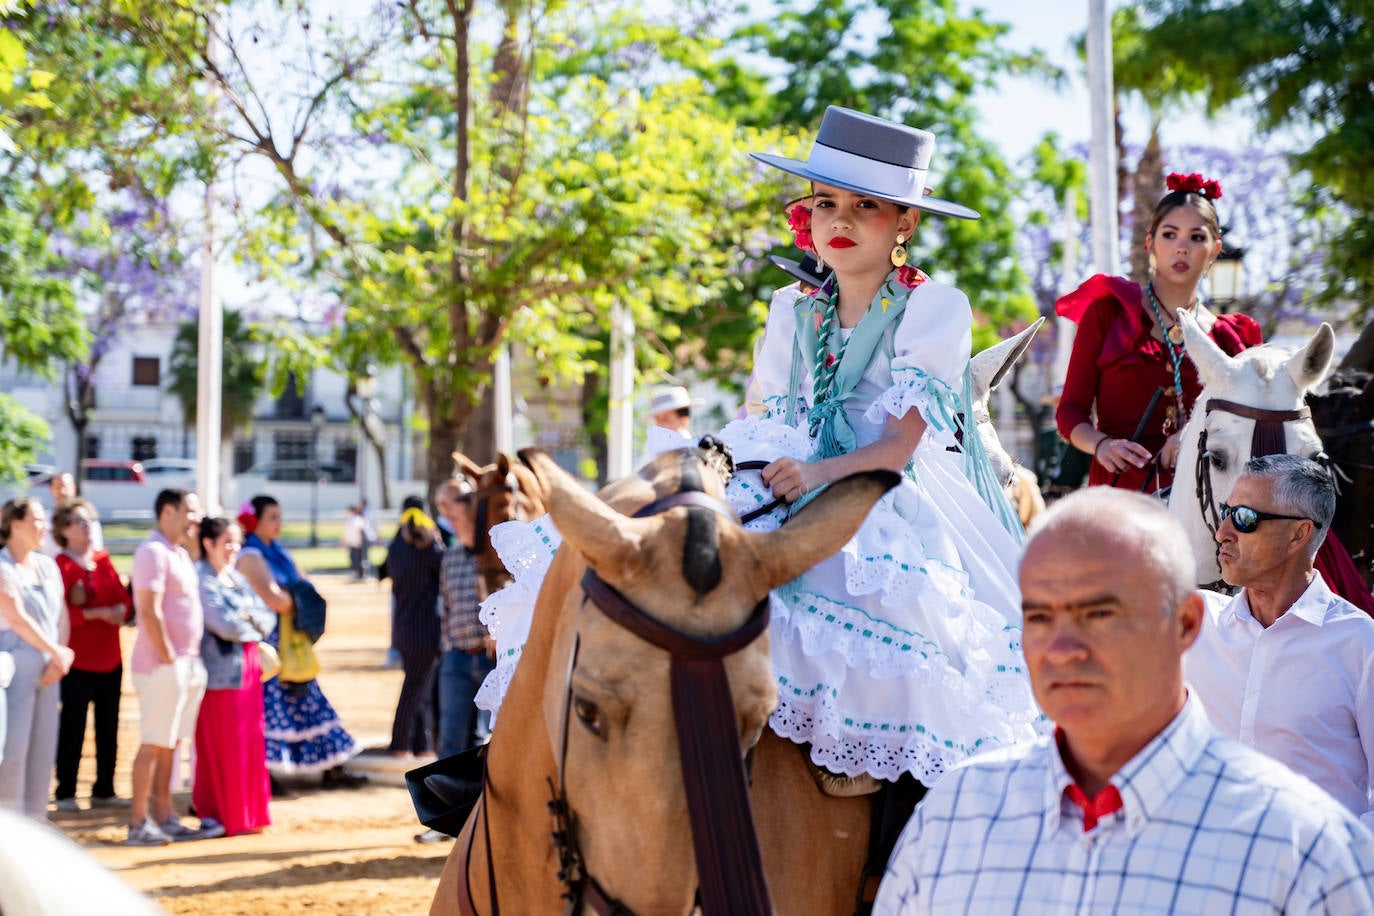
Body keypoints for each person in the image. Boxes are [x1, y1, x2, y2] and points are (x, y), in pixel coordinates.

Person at [480, 107, 1041, 788]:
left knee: (899, 632)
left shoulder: (934, 308)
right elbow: (763, 417)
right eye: (826, 203)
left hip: (879, 493)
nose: (840, 220)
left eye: (866, 206)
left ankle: (887, 796)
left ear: (906, 222)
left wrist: (816, 473)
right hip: (781, 470)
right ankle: (527, 767)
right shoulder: (791, 308)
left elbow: (898, 448)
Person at [873, 488, 1374, 913]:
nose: (1062, 649)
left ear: (1185, 625)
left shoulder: (1304, 847)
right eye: (1040, 617)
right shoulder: (954, 814)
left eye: (1099, 614)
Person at [1185, 454, 1374, 824]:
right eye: (1226, 511)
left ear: (1298, 534)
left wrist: (1333, 852)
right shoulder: (1194, 621)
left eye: (1244, 518)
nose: (1223, 531)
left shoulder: (1360, 644)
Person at [1056, 172, 1263, 493]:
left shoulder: (1230, 338)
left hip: (1205, 497)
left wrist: (1193, 434)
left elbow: (1251, 422)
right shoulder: (1109, 315)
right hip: (1120, 494)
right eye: (1170, 235)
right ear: (1150, 243)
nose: (1182, 248)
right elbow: (1070, 412)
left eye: (1197, 238)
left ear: (1215, 249)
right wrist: (1101, 445)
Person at [235, 496, 364, 788]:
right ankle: (265, 774)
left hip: (291, 641)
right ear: (254, 521)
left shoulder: (276, 552)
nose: (278, 523)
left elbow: (298, 590)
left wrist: (295, 596)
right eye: (272, 517)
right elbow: (276, 600)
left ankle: (331, 767)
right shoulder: (251, 556)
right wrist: (299, 598)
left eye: (279, 517)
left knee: (307, 700)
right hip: (270, 646)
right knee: (270, 708)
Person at [128, 488, 219, 845]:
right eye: (190, 511)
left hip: (186, 663)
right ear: (168, 511)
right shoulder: (152, 552)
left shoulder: (178, 553)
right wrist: (169, 658)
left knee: (171, 744)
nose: (197, 518)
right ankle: (138, 823)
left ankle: (164, 818)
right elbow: (148, 611)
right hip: (163, 665)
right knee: (154, 744)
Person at [194, 517, 274, 837]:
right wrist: (250, 622)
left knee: (248, 740)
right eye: (226, 541)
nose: (233, 548)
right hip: (221, 676)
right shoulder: (202, 580)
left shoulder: (236, 577)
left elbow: (267, 618)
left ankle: (247, 815)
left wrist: (247, 621)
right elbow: (224, 625)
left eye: (236, 541)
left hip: (247, 670)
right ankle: (219, 815)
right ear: (208, 543)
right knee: (222, 744)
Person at [51, 499, 128, 811]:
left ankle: (104, 788)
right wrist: (96, 614)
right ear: (63, 530)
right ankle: (66, 791)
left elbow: (122, 598)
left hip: (110, 656)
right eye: (79, 522)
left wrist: (121, 609)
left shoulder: (102, 560)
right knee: (73, 726)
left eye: (89, 521)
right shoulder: (60, 565)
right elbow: (59, 613)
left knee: (109, 726)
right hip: (78, 659)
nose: (86, 527)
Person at [0, 498, 72, 820]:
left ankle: (36, 825)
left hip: (50, 670)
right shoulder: (3, 567)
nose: (45, 526)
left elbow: (61, 616)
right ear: (15, 524)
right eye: (38, 520)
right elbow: (17, 618)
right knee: (13, 753)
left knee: (43, 752)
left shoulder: (48, 566)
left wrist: (58, 660)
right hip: (14, 672)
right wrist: (56, 652)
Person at [383, 499, 444, 757]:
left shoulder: (396, 546)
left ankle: (421, 744)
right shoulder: (427, 547)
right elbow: (444, 567)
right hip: (425, 631)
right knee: (415, 689)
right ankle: (400, 743)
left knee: (420, 688)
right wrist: (434, 540)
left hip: (403, 629)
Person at [41, 471, 103, 556]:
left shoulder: (87, 518)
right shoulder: (43, 520)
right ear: (51, 489)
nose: (62, 491)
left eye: (65, 486)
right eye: (58, 487)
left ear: (74, 488)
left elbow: (96, 550)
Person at [342, 504, 368, 581]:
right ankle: (357, 573)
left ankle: (359, 574)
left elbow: (362, 531)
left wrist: (361, 541)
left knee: (358, 559)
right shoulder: (351, 520)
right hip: (352, 542)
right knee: (354, 558)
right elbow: (347, 532)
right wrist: (345, 540)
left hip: (357, 542)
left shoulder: (358, 519)